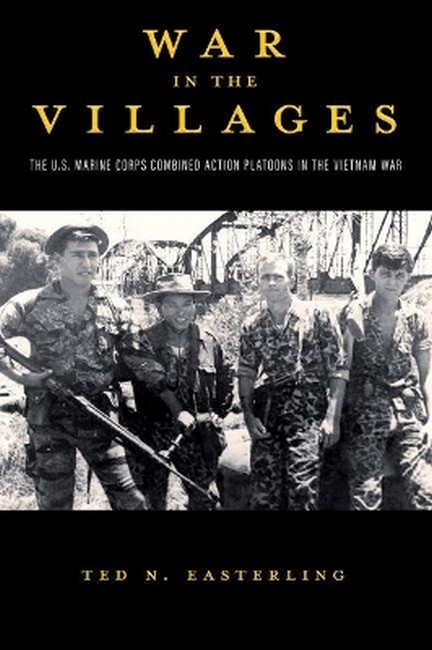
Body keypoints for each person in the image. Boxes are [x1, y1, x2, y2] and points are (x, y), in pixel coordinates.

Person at [0, 225, 175, 511]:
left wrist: (175, 403)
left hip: (99, 418)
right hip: (48, 420)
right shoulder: (28, 304)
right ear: (58, 260)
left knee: (131, 501)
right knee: (55, 504)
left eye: (92, 255)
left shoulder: (115, 307)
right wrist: (22, 377)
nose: (87, 263)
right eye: (78, 255)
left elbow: (141, 358)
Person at [238, 253, 349, 510]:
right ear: (258, 281)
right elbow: (246, 372)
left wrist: (332, 418)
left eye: (278, 277)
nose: (271, 283)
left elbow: (338, 370)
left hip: (308, 412)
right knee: (263, 492)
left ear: (292, 280)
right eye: (265, 277)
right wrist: (248, 416)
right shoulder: (252, 324)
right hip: (269, 413)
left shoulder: (318, 316)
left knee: (303, 488)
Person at [128, 273, 233, 510]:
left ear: (195, 306)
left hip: (197, 435)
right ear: (159, 308)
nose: (181, 312)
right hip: (153, 435)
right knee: (151, 501)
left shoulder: (208, 341)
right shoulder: (143, 341)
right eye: (172, 305)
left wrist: (218, 414)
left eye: (187, 304)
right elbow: (148, 382)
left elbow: (226, 379)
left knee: (205, 498)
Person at [341, 243, 432, 510]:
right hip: (365, 414)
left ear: (407, 277)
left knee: (425, 490)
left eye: (399, 275)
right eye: (385, 274)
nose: (392, 282)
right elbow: (341, 367)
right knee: (366, 494)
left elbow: (425, 376)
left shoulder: (415, 319)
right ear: (372, 274)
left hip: (407, 413)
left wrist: (430, 420)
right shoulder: (355, 314)